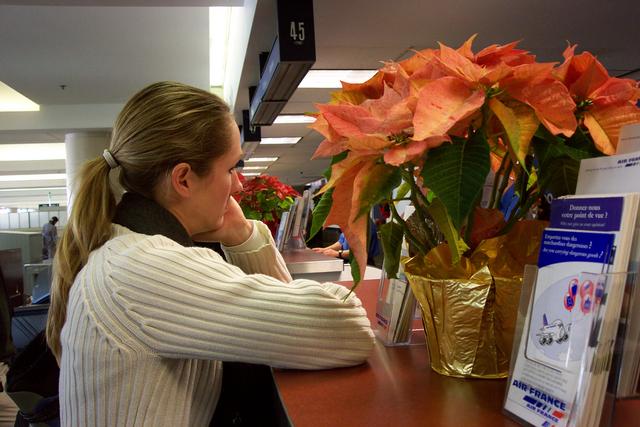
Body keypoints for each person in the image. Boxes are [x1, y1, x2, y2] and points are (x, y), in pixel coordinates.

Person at [46, 81, 374, 427]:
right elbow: (345, 328)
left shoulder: (125, 249)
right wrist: (246, 235)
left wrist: (241, 234)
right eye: (232, 167)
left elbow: (285, 322)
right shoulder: (145, 267)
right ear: (183, 179)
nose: (239, 185)